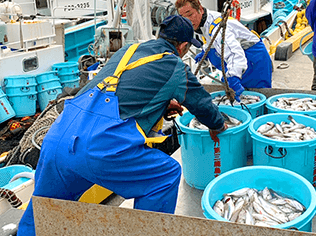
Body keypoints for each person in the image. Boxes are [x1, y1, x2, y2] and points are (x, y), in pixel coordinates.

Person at [18, 15, 227, 235]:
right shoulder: (174, 66)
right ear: (183, 46)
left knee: (44, 212)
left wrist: (161, 107)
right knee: (165, 176)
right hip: (99, 147)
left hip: (58, 139)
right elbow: (202, 104)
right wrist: (218, 126)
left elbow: (118, 93)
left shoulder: (126, 51)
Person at [175, 0, 272, 101]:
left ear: (200, 10)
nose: (187, 20)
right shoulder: (204, 22)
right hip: (241, 58)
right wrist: (205, 51)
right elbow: (210, 39)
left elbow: (235, 54)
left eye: (190, 14)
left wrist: (233, 77)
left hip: (253, 60)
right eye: (183, 17)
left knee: (256, 96)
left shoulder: (218, 28)